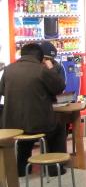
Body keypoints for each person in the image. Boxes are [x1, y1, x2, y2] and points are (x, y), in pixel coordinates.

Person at [0, 43, 67, 176]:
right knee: (58, 128)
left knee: (25, 135)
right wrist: (51, 68)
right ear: (41, 57)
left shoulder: (8, 70)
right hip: (38, 124)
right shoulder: (42, 70)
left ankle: (22, 168)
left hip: (12, 125)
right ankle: (53, 167)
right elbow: (59, 87)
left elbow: (2, 91)